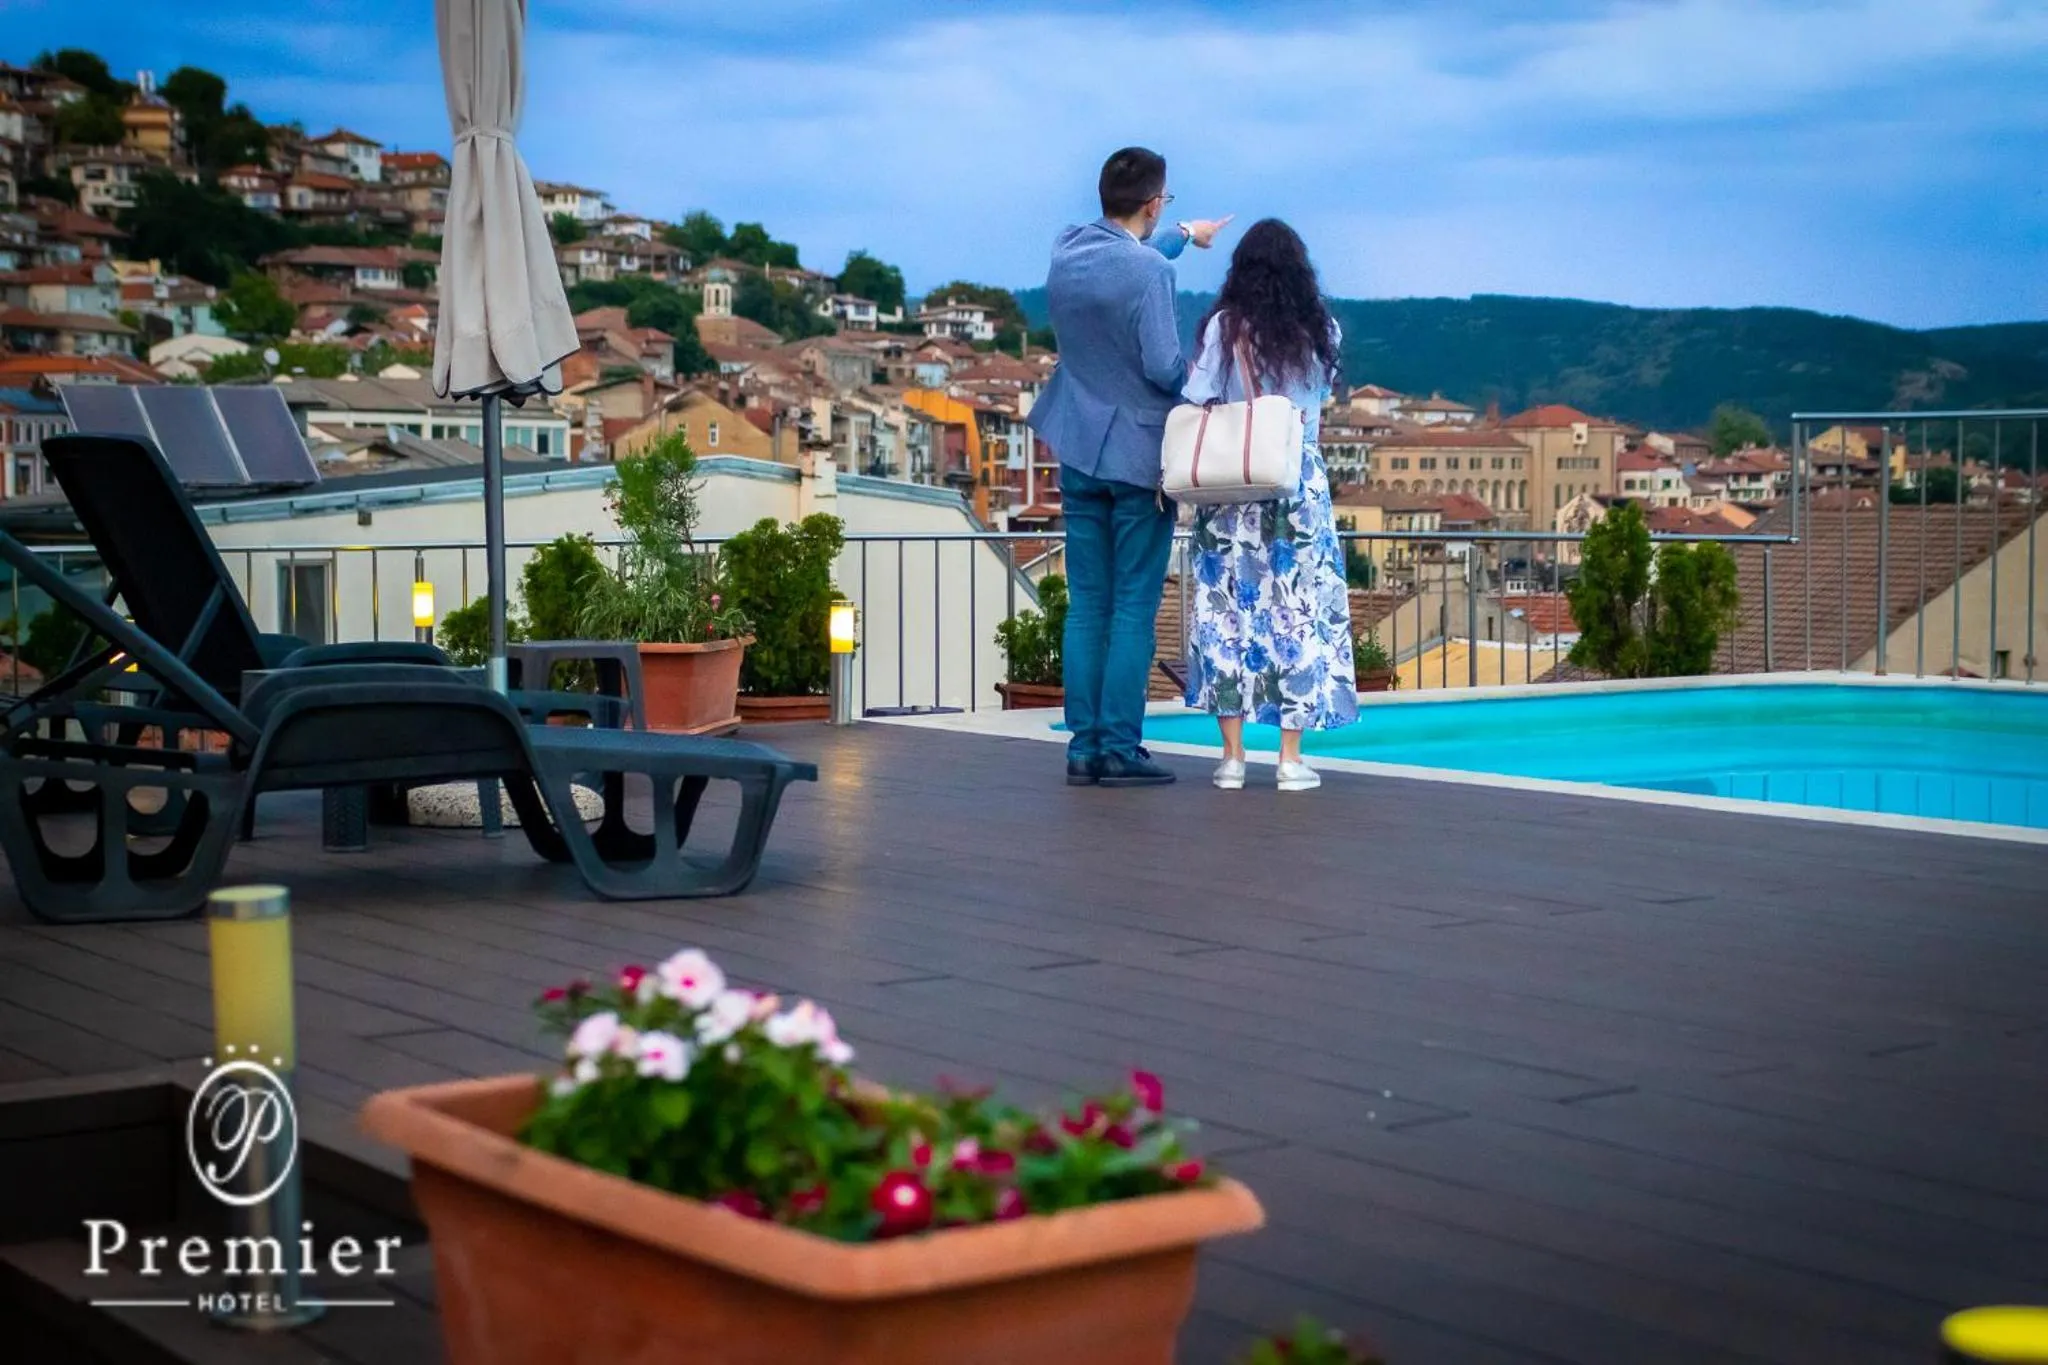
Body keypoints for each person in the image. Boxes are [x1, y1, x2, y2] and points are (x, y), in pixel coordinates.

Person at [1027, 147, 1231, 788]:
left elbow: (1130, 257)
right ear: (1152, 202)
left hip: (1079, 449)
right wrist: (1211, 385)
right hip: (1138, 454)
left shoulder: (1067, 250)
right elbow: (1165, 365)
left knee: (1086, 605)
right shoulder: (1150, 277)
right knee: (1133, 607)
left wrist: (1179, 236)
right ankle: (1119, 746)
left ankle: (1083, 747)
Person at [1180, 219, 1357, 792]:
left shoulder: (1224, 328)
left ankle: (1231, 758)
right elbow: (1319, 397)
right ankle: (1289, 758)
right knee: (1296, 612)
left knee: (1226, 614)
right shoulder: (1319, 327)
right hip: (1295, 481)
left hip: (1233, 484)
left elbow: (1198, 395)